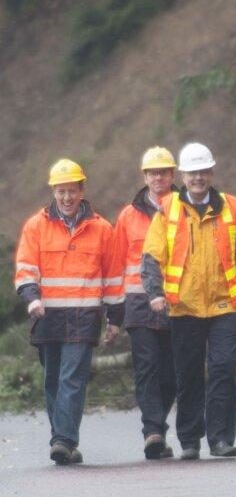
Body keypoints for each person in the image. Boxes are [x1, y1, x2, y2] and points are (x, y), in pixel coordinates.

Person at [140, 142, 236, 460]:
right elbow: (152, 257)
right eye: (193, 172)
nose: (198, 178)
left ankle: (221, 439)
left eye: (203, 171)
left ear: (211, 173)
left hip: (225, 305)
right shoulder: (168, 210)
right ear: (183, 175)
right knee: (189, 374)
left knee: (223, 369)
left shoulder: (232, 208)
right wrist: (155, 294)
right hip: (184, 307)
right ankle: (190, 439)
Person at [13, 159, 123, 465]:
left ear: (82, 190)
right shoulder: (36, 226)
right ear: (53, 191)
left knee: (71, 379)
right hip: (47, 315)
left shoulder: (102, 229)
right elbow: (25, 268)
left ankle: (63, 439)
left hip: (84, 316)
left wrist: (115, 319)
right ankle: (63, 438)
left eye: (72, 191)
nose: (66, 197)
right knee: (52, 381)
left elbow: (113, 277)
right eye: (61, 191)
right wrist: (31, 297)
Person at [111, 146, 179, 459]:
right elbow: (116, 262)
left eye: (164, 171)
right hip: (138, 302)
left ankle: (157, 423)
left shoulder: (184, 209)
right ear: (145, 176)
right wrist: (115, 309)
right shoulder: (128, 216)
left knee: (172, 372)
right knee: (147, 367)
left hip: (177, 302)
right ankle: (153, 431)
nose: (159, 177)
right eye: (153, 172)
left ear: (172, 174)